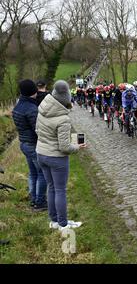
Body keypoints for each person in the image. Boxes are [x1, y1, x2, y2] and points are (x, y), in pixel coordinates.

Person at [36, 80, 85, 230]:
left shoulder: (42, 108)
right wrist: (77, 147)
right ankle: (63, 224)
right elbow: (64, 147)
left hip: (41, 153)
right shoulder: (63, 119)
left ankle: (54, 221)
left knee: (51, 187)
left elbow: (37, 131)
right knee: (60, 190)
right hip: (56, 158)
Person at [12, 79, 47, 211]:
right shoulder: (31, 109)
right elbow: (38, 129)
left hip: (24, 143)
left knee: (33, 173)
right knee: (42, 173)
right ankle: (40, 202)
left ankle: (34, 199)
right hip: (33, 145)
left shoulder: (18, 106)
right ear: (32, 92)